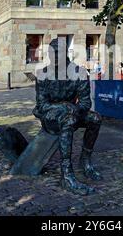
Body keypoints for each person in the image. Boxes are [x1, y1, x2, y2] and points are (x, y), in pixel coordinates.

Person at [33, 39, 103, 195]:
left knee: (96, 118)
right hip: (50, 116)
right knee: (68, 120)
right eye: (52, 53)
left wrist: (75, 110)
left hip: (73, 113)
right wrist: (65, 107)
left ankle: (85, 161)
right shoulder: (43, 74)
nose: (54, 56)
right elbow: (42, 105)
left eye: (58, 52)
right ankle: (66, 173)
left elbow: (85, 102)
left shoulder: (79, 72)